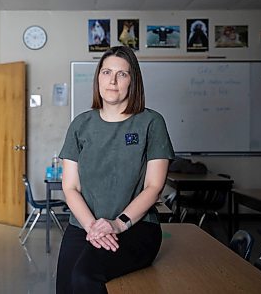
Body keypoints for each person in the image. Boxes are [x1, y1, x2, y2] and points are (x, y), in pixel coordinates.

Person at [56, 46, 174, 293]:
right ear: (98, 77)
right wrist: (92, 227)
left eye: (122, 74)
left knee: (84, 277)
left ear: (133, 81)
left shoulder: (151, 122)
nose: (112, 80)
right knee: (66, 285)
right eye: (107, 71)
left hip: (136, 227)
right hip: (84, 225)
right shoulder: (80, 125)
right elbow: (70, 187)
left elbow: (154, 187)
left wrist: (118, 225)